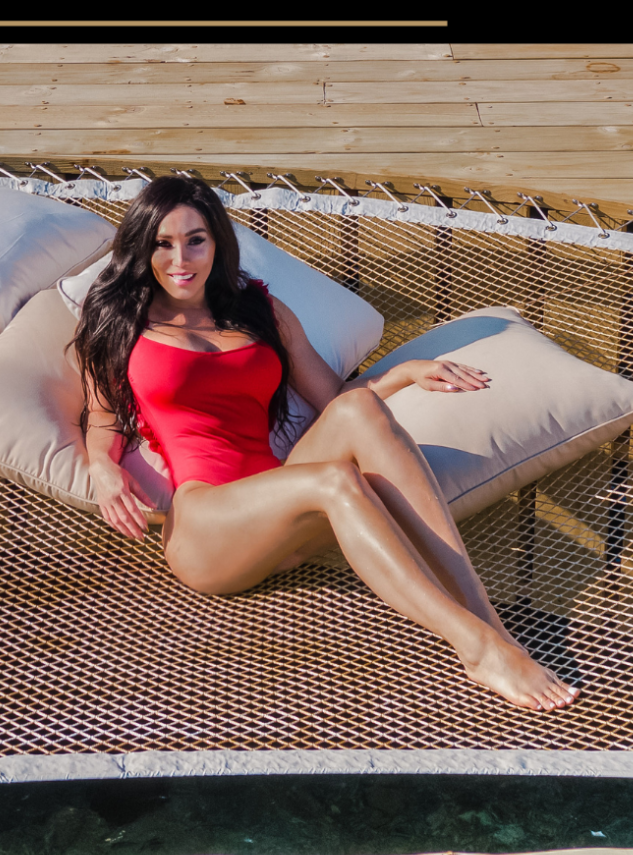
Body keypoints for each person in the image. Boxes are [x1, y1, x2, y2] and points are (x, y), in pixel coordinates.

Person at [69, 175, 578, 713]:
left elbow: (335, 400)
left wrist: (403, 373)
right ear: (142, 246)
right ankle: (475, 648)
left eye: (195, 239)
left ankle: (491, 626)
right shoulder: (119, 319)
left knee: (360, 409)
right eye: (162, 243)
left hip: (285, 511)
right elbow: (103, 419)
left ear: (217, 241)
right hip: (206, 531)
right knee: (335, 479)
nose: (180, 259)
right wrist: (103, 469)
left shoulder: (257, 309)